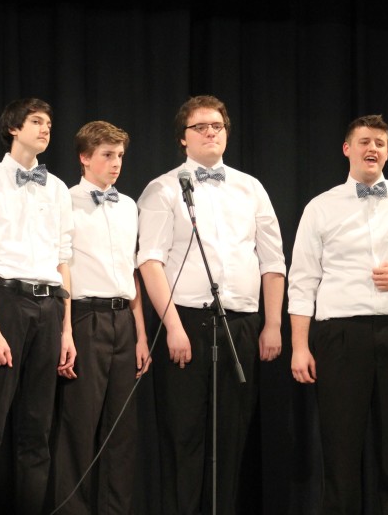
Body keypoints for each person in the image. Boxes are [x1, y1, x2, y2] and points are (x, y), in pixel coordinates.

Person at [137, 94, 285, 515]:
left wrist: (271, 324)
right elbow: (150, 261)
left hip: (240, 322)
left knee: (231, 437)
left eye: (216, 126)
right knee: (184, 437)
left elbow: (273, 261)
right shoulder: (163, 188)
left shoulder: (250, 187)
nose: (209, 133)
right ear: (183, 139)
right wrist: (173, 327)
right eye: (199, 127)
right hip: (185, 322)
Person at [288, 114, 388, 514]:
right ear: (347, 149)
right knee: (340, 448)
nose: (372, 149)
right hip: (341, 335)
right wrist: (300, 347)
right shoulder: (321, 207)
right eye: (364, 142)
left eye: (380, 143)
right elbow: (303, 279)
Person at [0, 97, 74, 515]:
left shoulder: (59, 189)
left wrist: (66, 330)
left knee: (37, 427)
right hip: (6, 301)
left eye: (49, 122)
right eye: (36, 121)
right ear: (13, 127)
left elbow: (64, 259)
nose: (46, 128)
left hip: (49, 305)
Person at [48, 120, 151, 515]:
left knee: (122, 432)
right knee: (79, 424)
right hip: (85, 319)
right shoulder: (65, 200)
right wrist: (65, 331)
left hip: (123, 319)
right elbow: (62, 267)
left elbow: (131, 272)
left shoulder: (128, 206)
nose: (115, 163)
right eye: (107, 155)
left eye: (120, 156)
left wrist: (141, 334)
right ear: (84, 157)